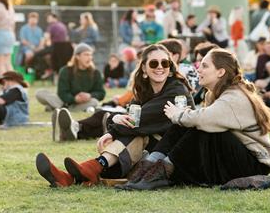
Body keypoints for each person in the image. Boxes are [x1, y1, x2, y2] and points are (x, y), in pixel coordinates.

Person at [35, 44, 195, 187]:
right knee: (120, 155)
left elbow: (137, 121)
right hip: (149, 151)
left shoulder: (176, 91)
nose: (160, 67)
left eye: (164, 63)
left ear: (170, 68)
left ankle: (88, 168)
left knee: (135, 136)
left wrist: (112, 127)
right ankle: (68, 178)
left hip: (174, 154)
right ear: (144, 69)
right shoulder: (143, 91)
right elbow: (133, 118)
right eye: (154, 63)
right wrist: (114, 128)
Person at [119, 48, 270, 190]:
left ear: (220, 72)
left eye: (204, 66)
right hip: (232, 157)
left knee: (200, 127)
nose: (198, 69)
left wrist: (178, 114)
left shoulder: (234, 96)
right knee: (184, 125)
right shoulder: (214, 94)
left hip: (253, 165)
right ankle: (149, 167)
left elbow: (205, 120)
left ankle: (160, 173)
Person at [35, 43, 105, 112]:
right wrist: (74, 99)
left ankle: (59, 108)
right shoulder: (65, 71)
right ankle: (64, 108)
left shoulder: (96, 73)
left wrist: (90, 95)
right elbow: (62, 93)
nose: (90, 58)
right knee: (40, 93)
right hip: (65, 101)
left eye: (91, 55)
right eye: (86, 55)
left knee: (94, 102)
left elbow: (101, 93)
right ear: (77, 56)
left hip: (83, 102)